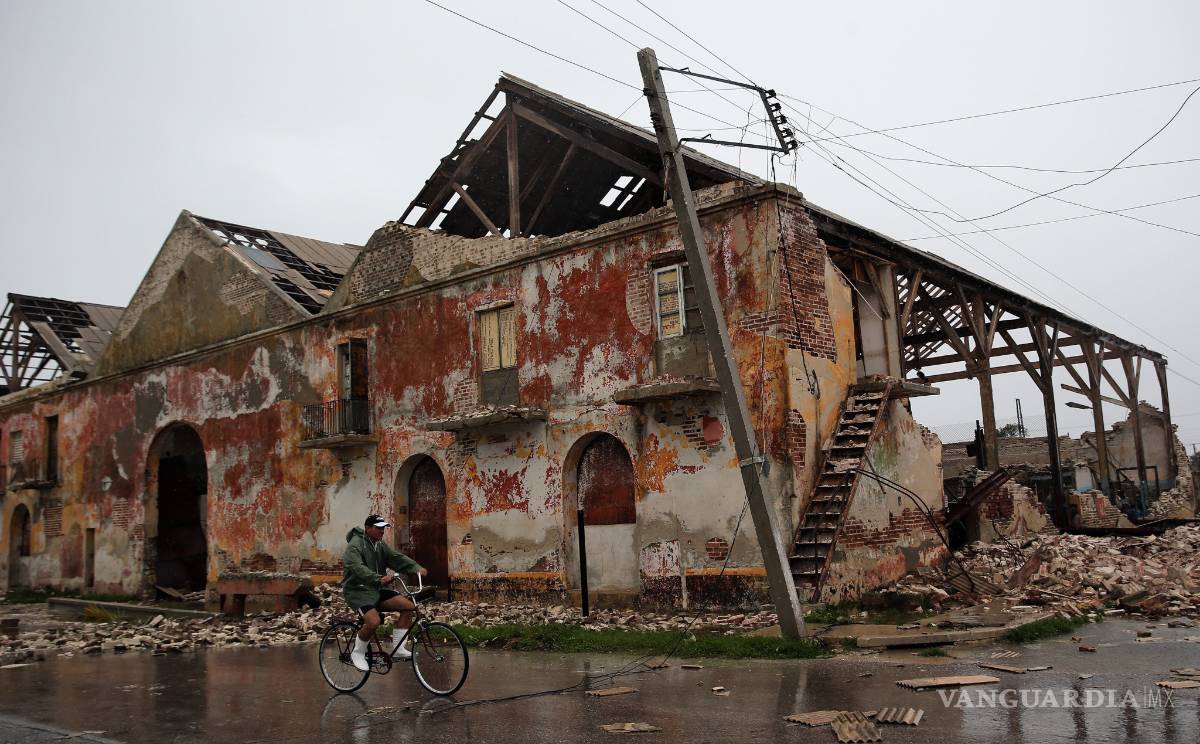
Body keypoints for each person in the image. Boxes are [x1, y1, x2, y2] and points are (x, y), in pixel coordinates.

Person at [342, 514, 427, 672]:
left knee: (408, 607)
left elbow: (396, 557)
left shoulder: (379, 545)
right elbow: (357, 567)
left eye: (383, 528)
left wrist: (416, 568)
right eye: (378, 528)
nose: (382, 531)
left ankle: (399, 648)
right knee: (373, 622)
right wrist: (377, 578)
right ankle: (358, 652)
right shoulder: (355, 545)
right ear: (368, 529)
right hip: (358, 591)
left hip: (377, 589)